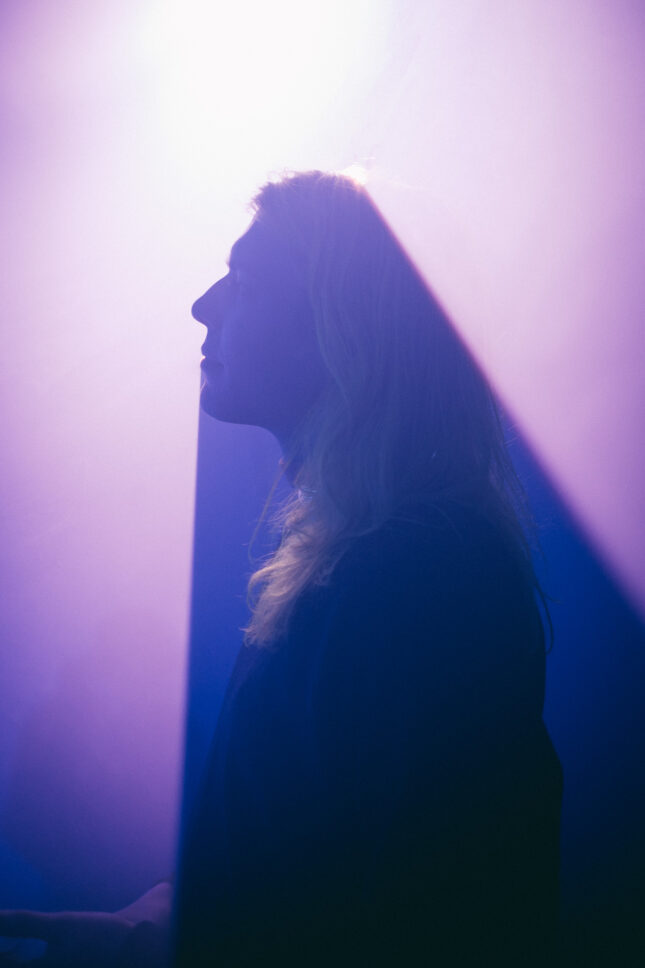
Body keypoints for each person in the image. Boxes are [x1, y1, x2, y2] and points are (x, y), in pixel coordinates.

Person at [0, 169, 563, 967]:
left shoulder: (426, 582)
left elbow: (438, 924)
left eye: (246, 281)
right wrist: (173, 927)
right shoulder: (370, 561)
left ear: (341, 327)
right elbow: (312, 863)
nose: (204, 305)